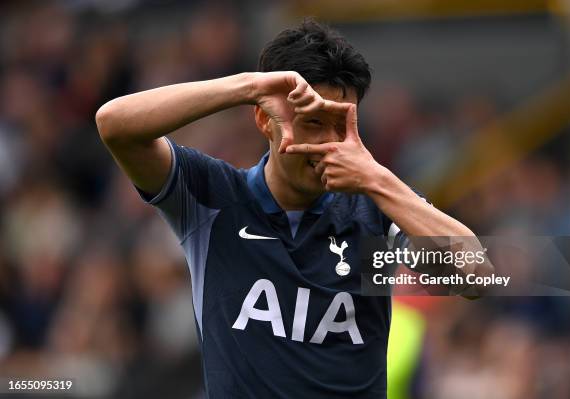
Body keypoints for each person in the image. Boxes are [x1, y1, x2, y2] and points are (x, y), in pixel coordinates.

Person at [96, 19, 481, 399]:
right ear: (265, 118)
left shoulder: (374, 209)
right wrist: (249, 86)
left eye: (342, 124)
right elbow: (114, 124)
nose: (330, 143)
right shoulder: (212, 199)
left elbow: (477, 277)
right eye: (314, 122)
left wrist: (377, 180)